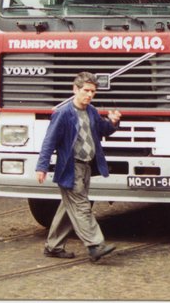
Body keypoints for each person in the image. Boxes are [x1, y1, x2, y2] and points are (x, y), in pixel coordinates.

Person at [36, 72, 121, 262]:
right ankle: (95, 245)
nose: (89, 95)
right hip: (70, 168)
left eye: (93, 91)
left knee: (69, 207)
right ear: (75, 89)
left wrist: (113, 122)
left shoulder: (91, 111)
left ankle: (53, 247)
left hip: (87, 167)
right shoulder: (63, 113)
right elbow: (49, 142)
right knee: (81, 206)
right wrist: (41, 167)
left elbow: (102, 130)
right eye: (86, 91)